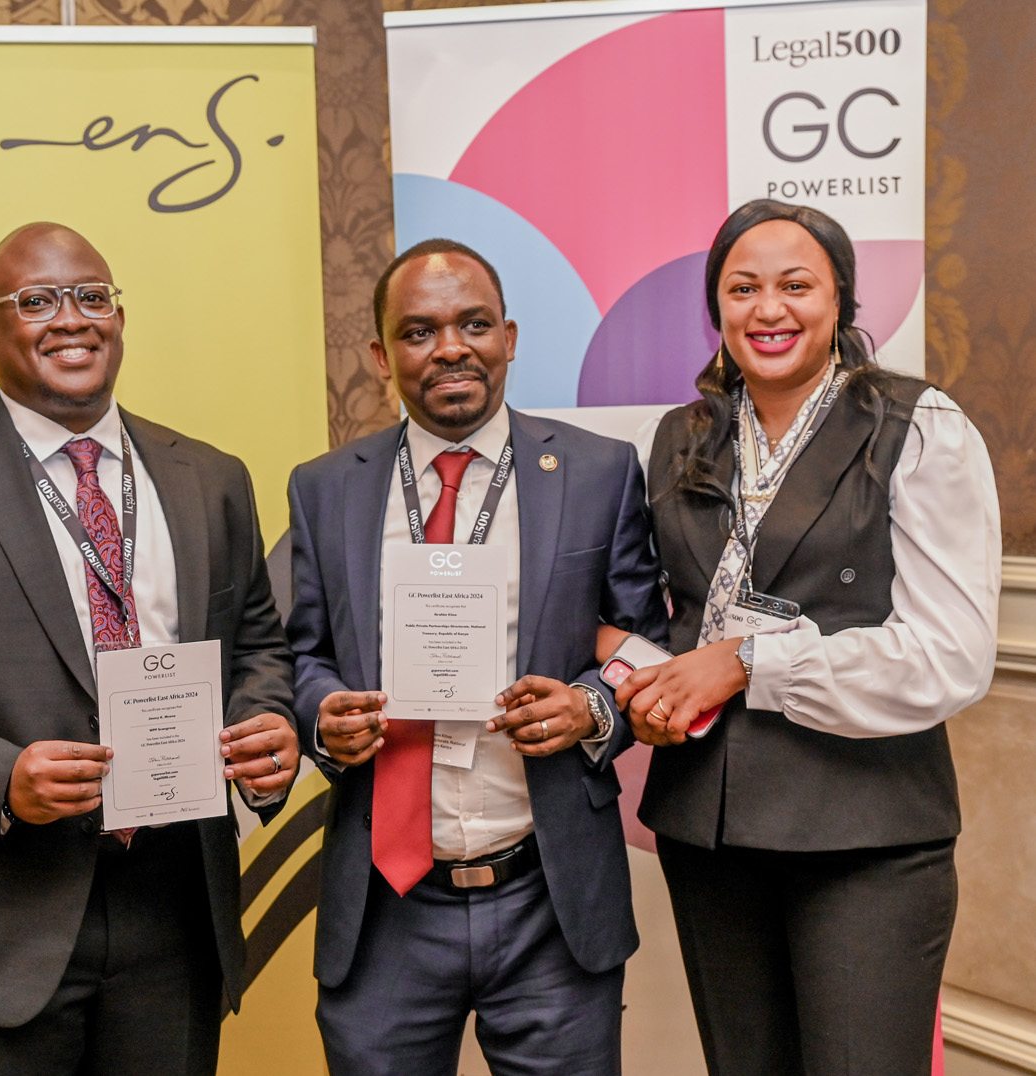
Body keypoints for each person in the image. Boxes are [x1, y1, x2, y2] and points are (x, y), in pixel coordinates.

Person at [0, 221, 301, 1075]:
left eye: (91, 297)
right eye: (36, 301)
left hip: (172, 917)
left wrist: (267, 724)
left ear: (118, 317)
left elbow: (256, 645)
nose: (72, 319)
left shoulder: (211, 477)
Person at [610, 199, 1000, 1075]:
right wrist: (644, 688)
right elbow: (654, 621)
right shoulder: (675, 439)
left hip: (866, 834)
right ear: (717, 308)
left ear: (841, 301)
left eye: (796, 285)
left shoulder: (916, 425)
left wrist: (749, 663)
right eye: (743, 288)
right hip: (709, 833)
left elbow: (950, 654)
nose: (769, 309)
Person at [285, 238, 667, 1075]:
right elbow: (302, 653)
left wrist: (590, 707)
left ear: (510, 338)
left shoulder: (598, 472)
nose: (450, 347)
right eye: (419, 331)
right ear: (381, 356)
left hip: (548, 899)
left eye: (474, 324)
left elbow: (647, 643)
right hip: (385, 904)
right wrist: (322, 717)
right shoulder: (325, 487)